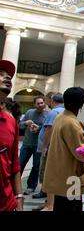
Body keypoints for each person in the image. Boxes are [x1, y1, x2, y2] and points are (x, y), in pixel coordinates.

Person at [42, 87, 84, 212]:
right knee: (70, 207)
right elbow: (81, 153)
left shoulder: (60, 117)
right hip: (71, 178)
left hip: (61, 175)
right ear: (82, 104)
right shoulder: (72, 123)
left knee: (63, 206)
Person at [0, 60, 23, 211]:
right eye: (1, 75)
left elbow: (14, 164)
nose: (8, 77)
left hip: (6, 203)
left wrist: (19, 198)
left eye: (8, 76)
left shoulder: (11, 121)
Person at [35, 92, 64, 210]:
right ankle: (50, 201)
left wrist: (44, 147)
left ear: (52, 100)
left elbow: (49, 129)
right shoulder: (65, 112)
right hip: (58, 149)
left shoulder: (53, 112)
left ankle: (50, 204)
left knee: (47, 173)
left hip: (51, 148)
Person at [19, 95, 48, 195]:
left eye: (42, 103)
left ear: (44, 103)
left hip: (38, 145)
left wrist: (38, 128)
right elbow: (20, 124)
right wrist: (26, 123)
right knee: (20, 164)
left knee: (36, 166)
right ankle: (15, 185)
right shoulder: (29, 112)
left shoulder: (48, 114)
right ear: (34, 104)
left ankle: (31, 186)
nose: (40, 105)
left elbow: (47, 129)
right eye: (38, 103)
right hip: (27, 143)